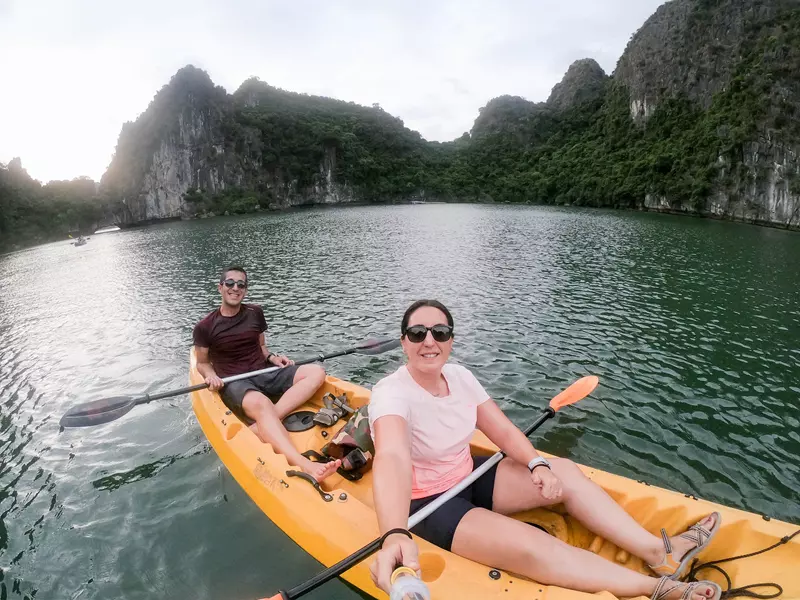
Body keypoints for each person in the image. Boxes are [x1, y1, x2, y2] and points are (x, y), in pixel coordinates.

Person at [368, 299, 723, 600]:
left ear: (450, 340)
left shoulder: (460, 377)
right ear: (404, 342)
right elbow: (392, 456)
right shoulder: (391, 393)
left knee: (562, 471)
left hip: (467, 473)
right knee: (529, 545)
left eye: (440, 332)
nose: (429, 341)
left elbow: (504, 431)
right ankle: (656, 588)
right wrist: (394, 532)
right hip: (427, 503)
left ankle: (659, 553)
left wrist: (537, 464)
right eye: (418, 333)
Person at [193, 265, 341, 482]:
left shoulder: (255, 313)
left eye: (241, 284)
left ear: (245, 289)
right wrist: (210, 375)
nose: (235, 288)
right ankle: (305, 465)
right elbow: (202, 362)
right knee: (262, 404)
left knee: (316, 372)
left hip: (264, 371)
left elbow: (262, 346)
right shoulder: (205, 326)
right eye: (230, 283)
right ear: (220, 287)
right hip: (235, 382)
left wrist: (272, 357)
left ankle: (263, 424)